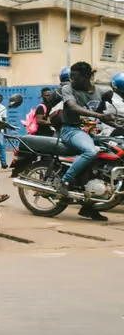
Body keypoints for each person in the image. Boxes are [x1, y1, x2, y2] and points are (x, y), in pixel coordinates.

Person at [57, 61, 114, 221]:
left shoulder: (100, 92)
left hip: (91, 132)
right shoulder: (68, 88)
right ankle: (64, 181)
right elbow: (72, 107)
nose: (73, 81)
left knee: (104, 162)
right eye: (71, 77)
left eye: (76, 78)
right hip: (71, 130)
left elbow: (104, 115)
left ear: (87, 77)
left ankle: (88, 207)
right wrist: (98, 116)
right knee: (91, 151)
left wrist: (117, 124)